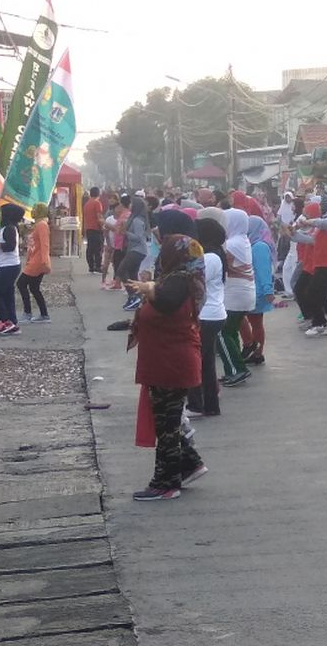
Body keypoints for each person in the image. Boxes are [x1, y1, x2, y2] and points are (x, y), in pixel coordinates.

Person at [127, 234, 208, 501]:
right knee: (168, 422)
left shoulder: (179, 282)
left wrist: (150, 288)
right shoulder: (177, 279)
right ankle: (189, 464)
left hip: (170, 363)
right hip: (166, 361)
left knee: (167, 427)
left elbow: (165, 301)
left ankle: (166, 482)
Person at [189, 217, 227, 417]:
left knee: (197, 361)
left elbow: (196, 283)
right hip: (213, 313)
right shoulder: (214, 255)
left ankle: (196, 404)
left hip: (207, 314)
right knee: (206, 362)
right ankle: (210, 404)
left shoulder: (210, 258)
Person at [220, 209, 256, 386]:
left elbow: (222, 264)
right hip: (243, 293)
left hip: (235, 295)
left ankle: (238, 370)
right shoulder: (243, 240)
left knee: (222, 332)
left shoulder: (232, 243)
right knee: (231, 331)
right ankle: (233, 369)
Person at [302, 194, 327, 336]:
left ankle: (320, 323)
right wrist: (293, 234)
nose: (320, 207)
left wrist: (308, 221)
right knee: (322, 295)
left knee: (313, 292)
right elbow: (310, 239)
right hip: (321, 262)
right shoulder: (323, 221)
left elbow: (326, 223)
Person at [243, 215, 275, 365]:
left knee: (255, 323)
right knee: (254, 322)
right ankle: (255, 351)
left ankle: (257, 352)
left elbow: (264, 270)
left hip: (258, 290)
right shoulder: (255, 243)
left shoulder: (259, 246)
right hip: (256, 289)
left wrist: (268, 290)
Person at [0, 203, 25, 336]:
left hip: (8, 266)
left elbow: (9, 246)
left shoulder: (10, 229)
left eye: (1, 213)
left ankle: (6, 320)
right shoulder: (7, 228)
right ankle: (12, 321)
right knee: (7, 294)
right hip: (6, 265)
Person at [17, 203, 52, 323]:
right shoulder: (39, 224)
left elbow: (45, 244)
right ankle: (44, 314)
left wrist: (44, 261)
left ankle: (28, 313)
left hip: (37, 261)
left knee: (21, 284)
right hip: (34, 259)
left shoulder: (42, 225)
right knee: (34, 288)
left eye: (35, 209)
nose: (32, 211)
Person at [120, 195, 151, 311]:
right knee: (132, 274)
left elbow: (138, 237)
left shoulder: (137, 220)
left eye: (132, 204)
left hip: (137, 250)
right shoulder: (134, 218)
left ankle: (134, 295)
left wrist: (126, 233)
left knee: (121, 271)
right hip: (135, 249)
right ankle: (136, 297)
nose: (130, 205)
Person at [84, 187, 104, 274]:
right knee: (98, 248)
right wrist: (103, 226)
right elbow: (99, 216)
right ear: (98, 194)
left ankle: (91, 266)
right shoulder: (97, 203)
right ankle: (98, 266)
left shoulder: (87, 204)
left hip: (88, 228)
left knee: (90, 248)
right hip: (96, 228)